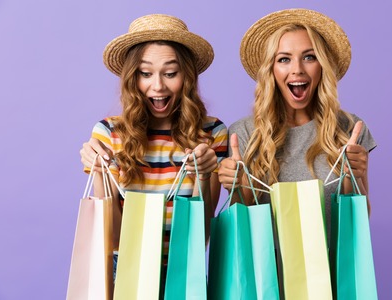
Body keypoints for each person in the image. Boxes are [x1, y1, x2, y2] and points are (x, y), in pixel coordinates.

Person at [79, 14, 228, 285]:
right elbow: (113, 236)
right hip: (123, 270)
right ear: (132, 78)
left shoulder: (212, 132)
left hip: (184, 271)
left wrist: (205, 174)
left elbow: (202, 234)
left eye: (171, 73)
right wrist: (100, 172)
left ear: (187, 77)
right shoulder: (109, 133)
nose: (158, 86)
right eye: (145, 74)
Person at [218, 9, 376, 223]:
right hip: (267, 257)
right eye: (284, 59)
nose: (297, 69)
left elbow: (359, 220)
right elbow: (241, 220)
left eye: (309, 57)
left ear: (322, 66)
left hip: (330, 257)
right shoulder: (244, 133)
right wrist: (237, 186)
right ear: (271, 70)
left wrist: (353, 175)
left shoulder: (350, 129)